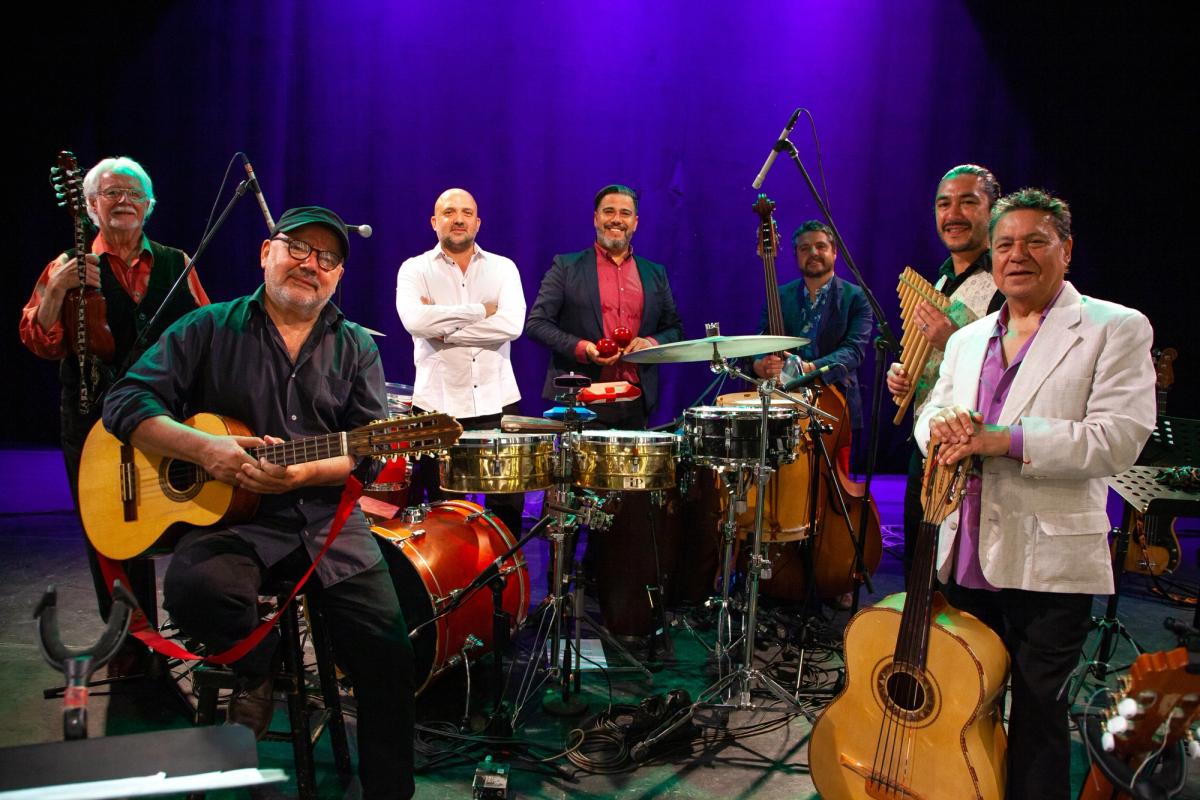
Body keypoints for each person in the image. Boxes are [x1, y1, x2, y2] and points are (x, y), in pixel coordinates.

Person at [103, 207, 414, 799]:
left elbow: (366, 452)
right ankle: (259, 665)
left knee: (388, 655)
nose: (311, 264)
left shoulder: (355, 347)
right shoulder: (208, 327)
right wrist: (205, 449)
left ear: (338, 276)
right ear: (266, 252)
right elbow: (124, 402)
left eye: (327, 258)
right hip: (232, 521)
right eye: (298, 248)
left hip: (326, 522)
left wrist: (302, 473)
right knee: (193, 589)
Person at [916, 189, 1155, 799]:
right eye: (1004, 245)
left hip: (1048, 564)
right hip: (963, 553)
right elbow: (931, 412)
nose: (1016, 255)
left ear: (1066, 250)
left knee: (1038, 720)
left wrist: (1006, 440)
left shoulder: (1115, 327)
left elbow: (1119, 438)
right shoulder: (968, 339)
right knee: (958, 709)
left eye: (1034, 242)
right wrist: (940, 429)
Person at [19, 155, 209, 635]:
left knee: (188, 516)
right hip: (91, 418)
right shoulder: (66, 265)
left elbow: (208, 336)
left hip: (164, 417)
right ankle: (130, 643)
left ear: (149, 205)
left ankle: (199, 626)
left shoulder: (176, 262)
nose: (124, 201)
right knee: (109, 532)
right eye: (111, 193)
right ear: (89, 206)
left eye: (134, 194)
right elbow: (39, 341)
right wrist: (56, 292)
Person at [886, 164, 1005, 581]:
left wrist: (952, 338)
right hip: (927, 444)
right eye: (943, 204)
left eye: (968, 202)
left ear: (993, 210)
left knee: (958, 579)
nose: (952, 214)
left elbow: (1011, 369)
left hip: (973, 453)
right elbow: (935, 368)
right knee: (918, 570)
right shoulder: (938, 281)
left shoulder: (1005, 284)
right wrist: (906, 376)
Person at [395, 188, 526, 536]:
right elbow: (415, 322)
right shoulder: (414, 269)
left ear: (477, 223)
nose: (458, 219)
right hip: (437, 406)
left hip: (498, 401)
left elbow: (511, 326)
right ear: (434, 221)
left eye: (467, 213)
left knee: (506, 510)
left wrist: (443, 330)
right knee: (443, 513)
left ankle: (504, 569)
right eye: (449, 212)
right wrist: (481, 311)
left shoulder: (503, 268)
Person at [526, 184, 684, 430]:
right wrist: (584, 348)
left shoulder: (655, 273)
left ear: (635, 223)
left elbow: (674, 329)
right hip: (580, 400)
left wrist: (650, 342)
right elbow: (537, 324)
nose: (616, 219)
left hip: (636, 400)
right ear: (596, 218)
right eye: (609, 211)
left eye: (625, 213)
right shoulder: (566, 267)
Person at [752, 219, 873, 471]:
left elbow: (853, 351)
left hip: (835, 401)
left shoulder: (856, 297)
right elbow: (759, 342)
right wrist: (760, 364)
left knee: (833, 477)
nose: (813, 253)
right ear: (796, 255)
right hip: (786, 406)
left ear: (834, 252)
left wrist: (810, 368)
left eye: (821, 246)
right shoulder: (779, 296)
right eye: (805, 248)